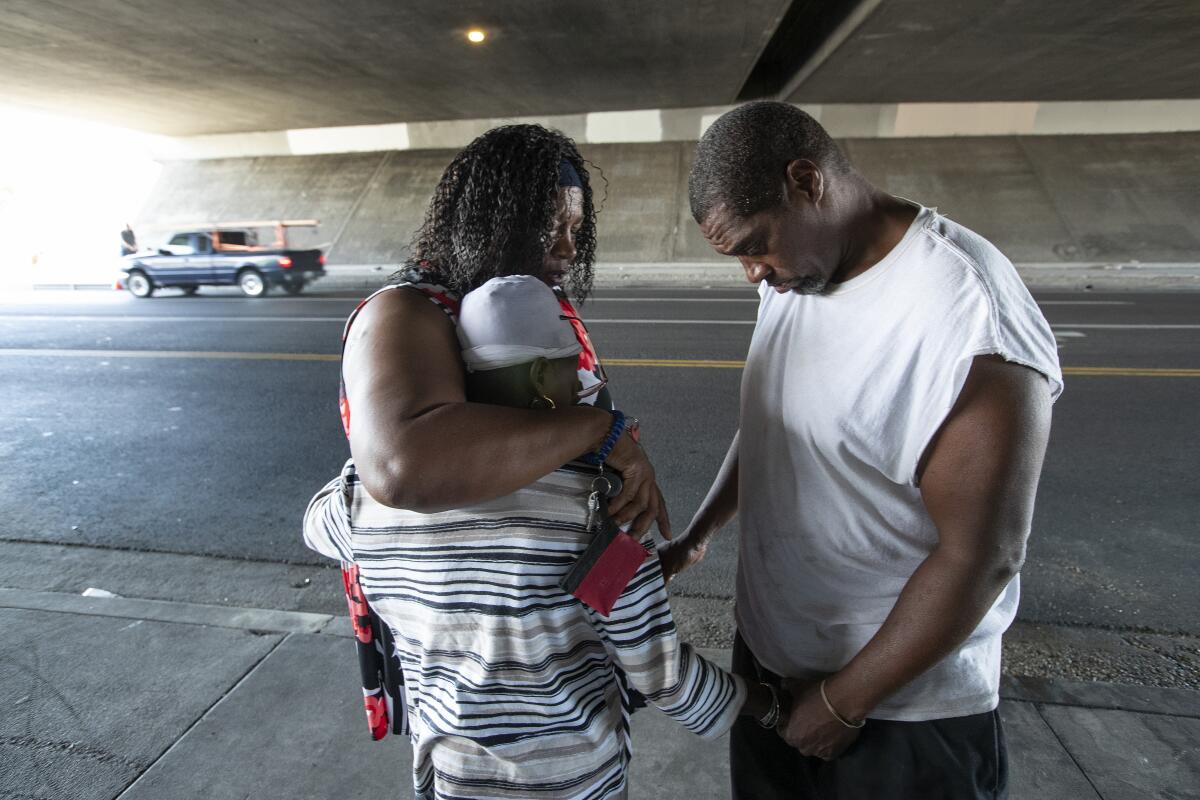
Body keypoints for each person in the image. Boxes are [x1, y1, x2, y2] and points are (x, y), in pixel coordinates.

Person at [662, 101, 1063, 799]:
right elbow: (775, 420)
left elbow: (983, 555)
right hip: (771, 675)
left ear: (807, 181)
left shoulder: (967, 315)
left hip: (898, 714)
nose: (753, 274)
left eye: (756, 245)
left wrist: (846, 700)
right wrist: (698, 534)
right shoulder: (801, 268)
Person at [317, 274, 781, 800]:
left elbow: (319, 525)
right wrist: (770, 707)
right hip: (572, 780)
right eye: (574, 373)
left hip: (449, 776)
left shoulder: (361, 496)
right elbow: (661, 674)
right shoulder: (600, 504)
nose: (582, 388)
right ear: (542, 376)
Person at [304, 125, 670, 740]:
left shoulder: (525, 302)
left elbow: (553, 466)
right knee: (500, 762)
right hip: (478, 638)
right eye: (548, 225)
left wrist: (635, 571)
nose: (566, 246)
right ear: (487, 219)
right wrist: (600, 431)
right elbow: (403, 465)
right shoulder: (408, 311)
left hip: (560, 610)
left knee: (589, 749)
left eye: (576, 230)